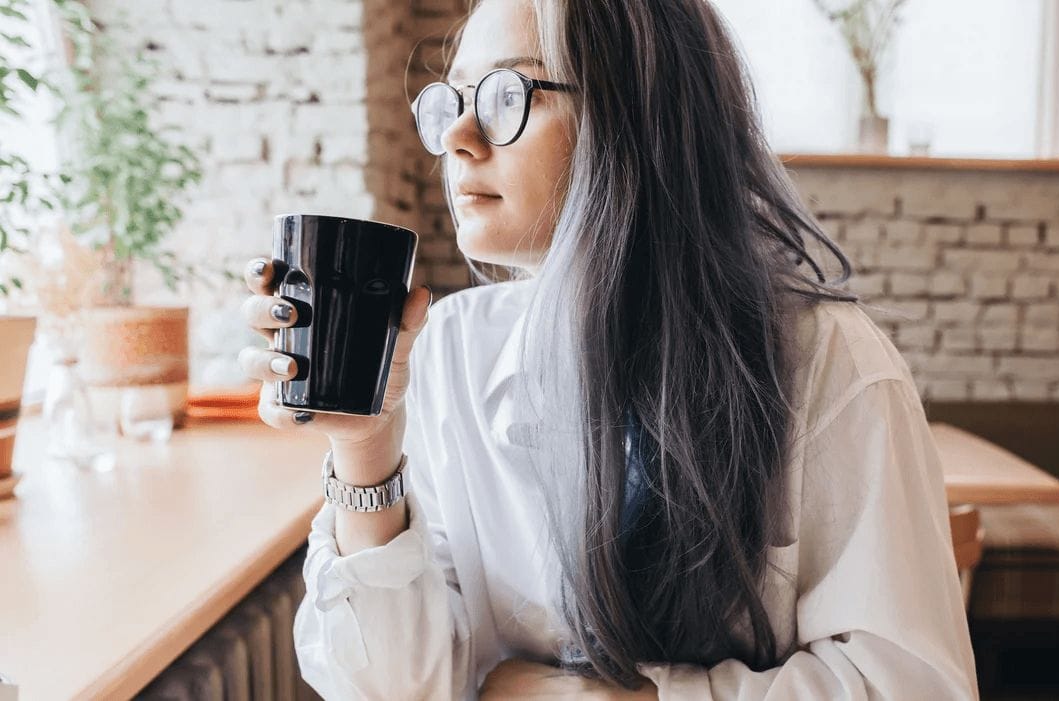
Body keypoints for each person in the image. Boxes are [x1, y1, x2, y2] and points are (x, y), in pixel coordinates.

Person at [237, 0, 979, 698]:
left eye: (504, 96)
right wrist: (366, 447)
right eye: (451, 101)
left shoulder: (825, 360)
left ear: (638, 114)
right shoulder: (450, 354)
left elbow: (909, 684)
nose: (459, 138)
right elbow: (395, 685)